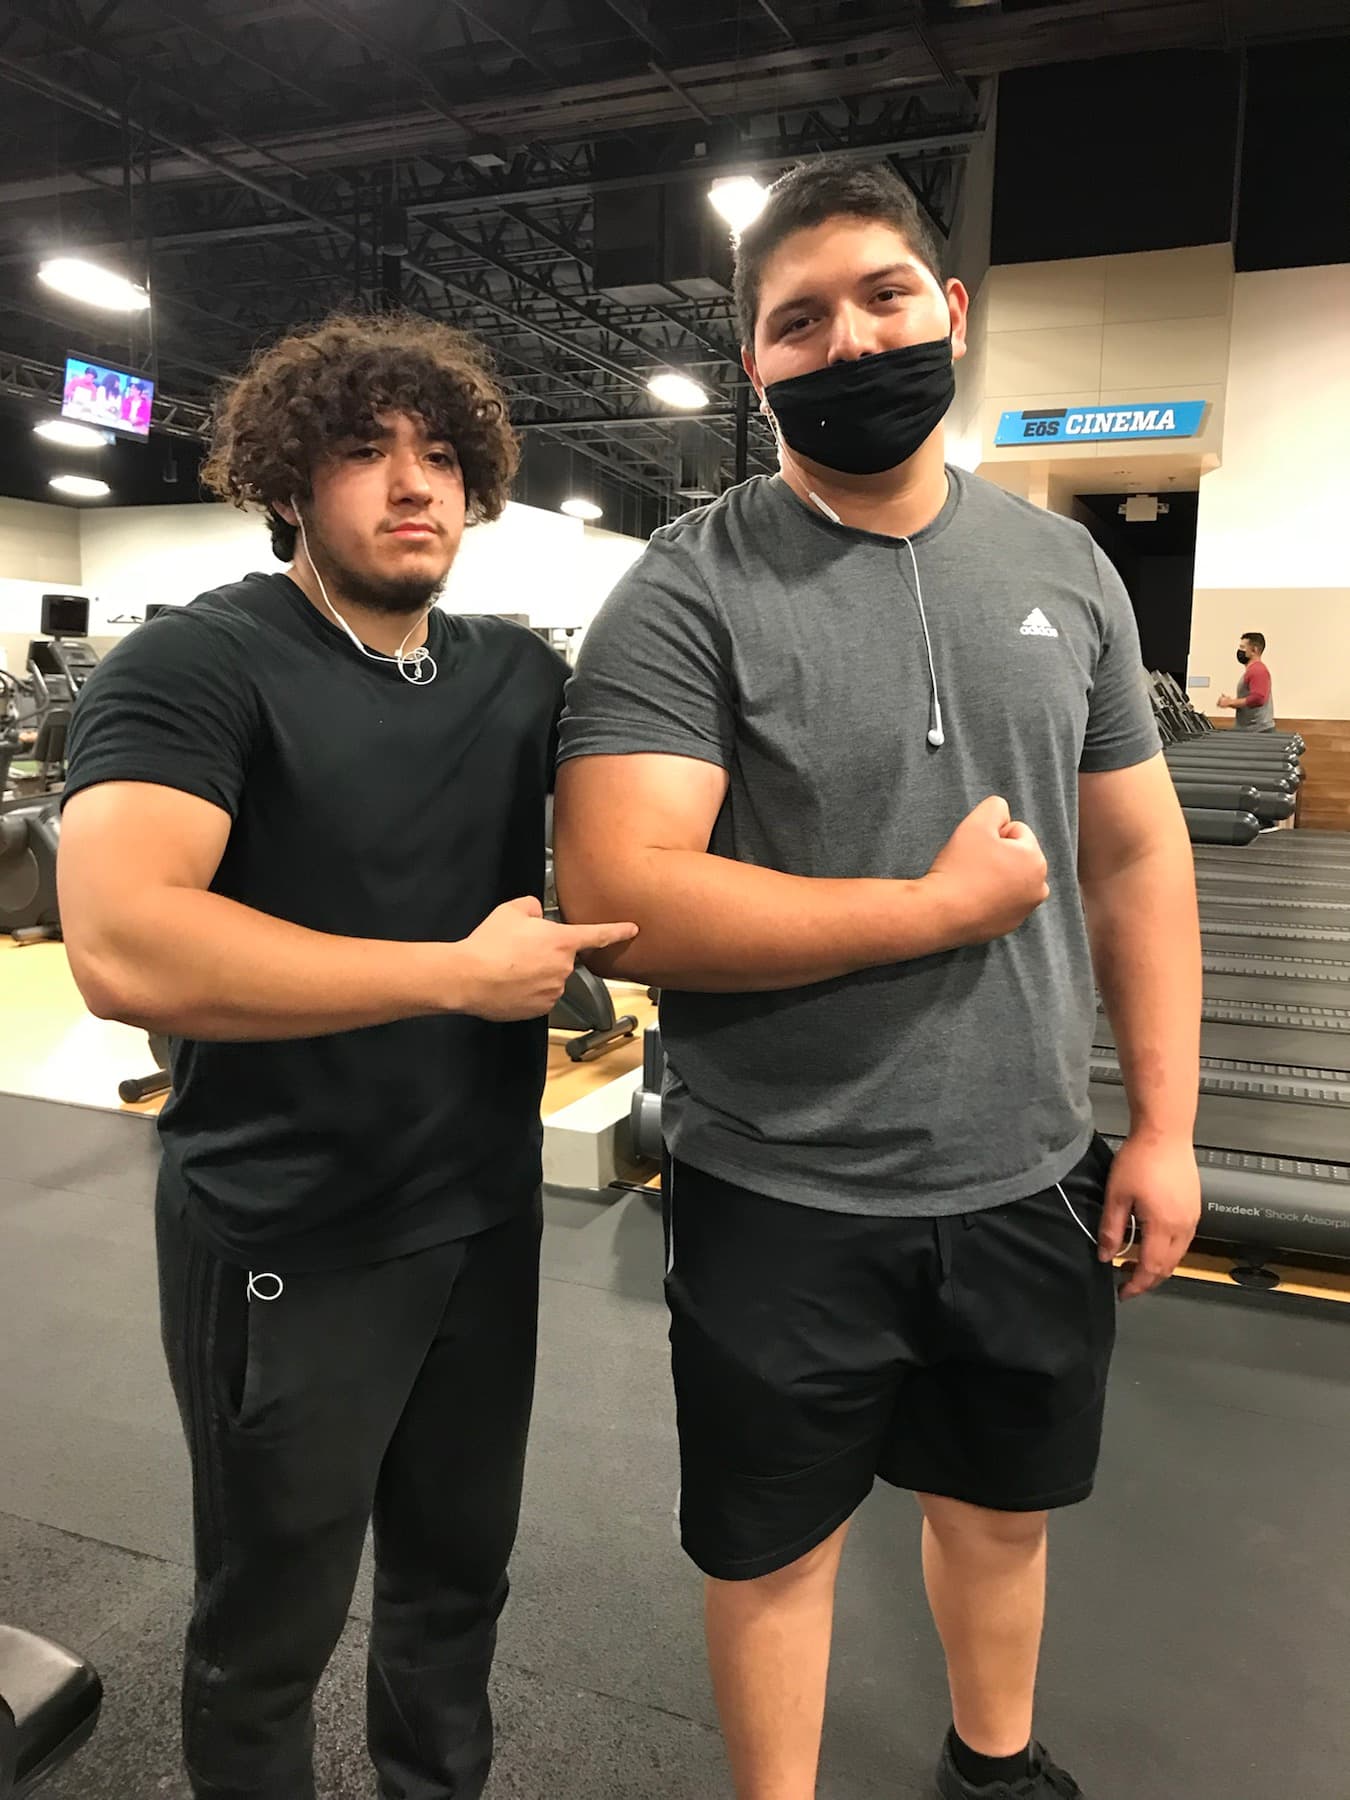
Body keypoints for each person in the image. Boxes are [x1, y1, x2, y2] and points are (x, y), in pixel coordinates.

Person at [554, 157, 1202, 1800]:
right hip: (780, 1181)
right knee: (771, 1554)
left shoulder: (1066, 577)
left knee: (999, 1516)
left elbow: (1137, 858)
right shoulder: (685, 590)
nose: (850, 344)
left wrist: (1167, 1125)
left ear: (952, 310)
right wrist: (927, 913)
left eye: (884, 298)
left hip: (1025, 1171)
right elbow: (623, 900)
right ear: (754, 360)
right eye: (799, 322)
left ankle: (995, 1770)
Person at [57, 310, 635, 1800]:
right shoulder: (198, 665)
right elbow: (127, 947)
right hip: (287, 1232)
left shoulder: (516, 678)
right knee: (269, 1628)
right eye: (365, 452)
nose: (411, 484)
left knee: (454, 1596)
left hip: (480, 1221)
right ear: (287, 482)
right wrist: (455, 974)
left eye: (440, 455)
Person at [1217, 633, 1274, 731]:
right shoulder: (1253, 670)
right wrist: (1231, 703)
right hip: (1251, 730)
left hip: (1257, 732)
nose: (1240, 651)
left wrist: (1230, 702)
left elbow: (1258, 698)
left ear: (1254, 650)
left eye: (1243, 647)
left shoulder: (1257, 670)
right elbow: (1251, 700)